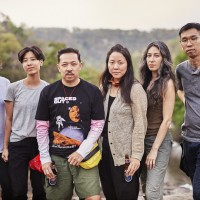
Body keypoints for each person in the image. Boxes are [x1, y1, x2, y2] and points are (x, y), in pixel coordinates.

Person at [35, 47, 105, 200]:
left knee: (93, 197)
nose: (69, 68)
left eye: (73, 64)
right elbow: (41, 128)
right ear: (58, 67)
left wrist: (82, 151)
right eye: (65, 64)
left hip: (86, 157)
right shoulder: (48, 92)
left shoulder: (92, 91)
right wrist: (45, 159)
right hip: (57, 157)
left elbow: (98, 125)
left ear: (80, 65)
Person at [99, 44, 147, 200]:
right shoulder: (104, 87)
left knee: (126, 195)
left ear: (128, 64)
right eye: (112, 62)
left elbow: (140, 124)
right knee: (110, 195)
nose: (115, 66)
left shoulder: (135, 89)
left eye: (120, 62)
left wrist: (136, 157)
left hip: (125, 156)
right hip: (103, 154)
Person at [2, 46, 47, 200]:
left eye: (33, 59)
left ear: (41, 62)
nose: (29, 63)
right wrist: (6, 147)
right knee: (18, 191)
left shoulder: (48, 89)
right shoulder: (13, 88)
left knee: (40, 190)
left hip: (40, 144)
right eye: (25, 60)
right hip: (17, 143)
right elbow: (8, 119)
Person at [139, 41, 175, 200]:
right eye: (149, 56)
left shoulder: (167, 83)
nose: (151, 59)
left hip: (158, 142)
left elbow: (167, 120)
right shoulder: (144, 82)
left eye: (156, 55)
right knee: (146, 188)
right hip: (141, 141)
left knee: (153, 192)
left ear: (163, 58)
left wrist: (154, 149)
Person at [176, 22, 200, 200]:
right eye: (185, 40)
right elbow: (179, 89)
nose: (189, 43)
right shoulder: (181, 70)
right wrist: (187, 102)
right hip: (189, 138)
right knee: (194, 182)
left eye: (194, 38)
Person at [0, 74, 12, 200]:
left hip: (3, 146)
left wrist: (6, 146)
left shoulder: (5, 82)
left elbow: (10, 114)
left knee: (7, 185)